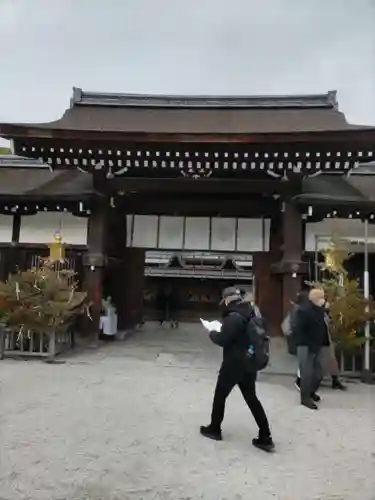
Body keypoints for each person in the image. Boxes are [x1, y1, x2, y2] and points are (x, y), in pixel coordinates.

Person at [200, 286, 275, 452]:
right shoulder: (251, 312)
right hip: (249, 361)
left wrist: (212, 332)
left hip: (234, 363)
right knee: (251, 398)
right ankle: (265, 436)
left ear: (227, 300)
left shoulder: (233, 316)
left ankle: (214, 428)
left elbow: (224, 339)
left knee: (220, 395)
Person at [294, 299, 346, 391]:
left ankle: (335, 380)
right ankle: (301, 381)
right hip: (313, 341)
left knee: (331, 360)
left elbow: (329, 324)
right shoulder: (310, 311)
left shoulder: (324, 313)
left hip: (325, 339)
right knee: (309, 362)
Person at [294, 288, 330, 410]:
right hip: (306, 346)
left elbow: (322, 328)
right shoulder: (304, 311)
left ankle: (311, 391)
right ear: (315, 299)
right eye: (321, 298)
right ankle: (305, 398)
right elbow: (298, 330)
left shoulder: (320, 311)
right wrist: (309, 343)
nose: (323, 300)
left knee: (319, 373)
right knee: (307, 373)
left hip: (318, 345)